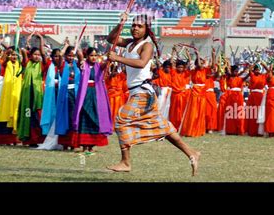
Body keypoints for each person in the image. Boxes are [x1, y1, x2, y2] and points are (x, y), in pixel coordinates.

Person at [106, 13, 200, 176]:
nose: (135, 28)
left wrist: (117, 58)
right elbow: (111, 39)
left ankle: (126, 162)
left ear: (146, 29)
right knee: (163, 127)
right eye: (133, 25)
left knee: (121, 120)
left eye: (139, 26)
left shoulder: (146, 46)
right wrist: (120, 23)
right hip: (137, 92)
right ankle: (192, 153)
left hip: (143, 93)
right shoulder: (129, 43)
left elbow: (141, 63)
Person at [71, 47, 112, 153]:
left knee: (95, 117)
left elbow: (105, 65)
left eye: (95, 55)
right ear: (87, 56)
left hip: (97, 95)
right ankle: (84, 145)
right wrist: (79, 54)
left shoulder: (99, 66)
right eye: (91, 55)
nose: (94, 58)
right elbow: (80, 58)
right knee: (85, 116)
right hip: (85, 94)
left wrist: (109, 58)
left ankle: (92, 145)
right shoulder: (84, 65)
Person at [18, 35, 47, 146]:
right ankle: (28, 139)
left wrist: (41, 39)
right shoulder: (26, 63)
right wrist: (26, 40)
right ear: (31, 55)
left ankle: (37, 139)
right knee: (27, 116)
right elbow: (23, 51)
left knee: (36, 117)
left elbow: (44, 54)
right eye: (35, 54)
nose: (37, 56)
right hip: (27, 96)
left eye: (38, 55)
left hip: (37, 96)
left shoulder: (42, 65)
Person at [56, 43, 82, 150]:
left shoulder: (77, 65)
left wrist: (77, 46)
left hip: (75, 94)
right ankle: (65, 143)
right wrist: (66, 46)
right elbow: (60, 56)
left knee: (73, 117)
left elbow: (81, 56)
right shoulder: (62, 64)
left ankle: (73, 143)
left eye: (72, 56)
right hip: (65, 94)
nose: (71, 58)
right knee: (65, 117)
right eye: (69, 55)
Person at [0, 47, 22, 145]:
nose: (14, 57)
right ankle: (4, 139)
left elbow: (24, 57)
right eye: (12, 55)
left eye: (16, 55)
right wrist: (7, 51)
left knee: (15, 112)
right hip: (7, 93)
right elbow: (4, 59)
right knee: (5, 113)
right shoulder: (6, 64)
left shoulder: (20, 66)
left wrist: (22, 51)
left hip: (16, 93)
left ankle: (14, 139)